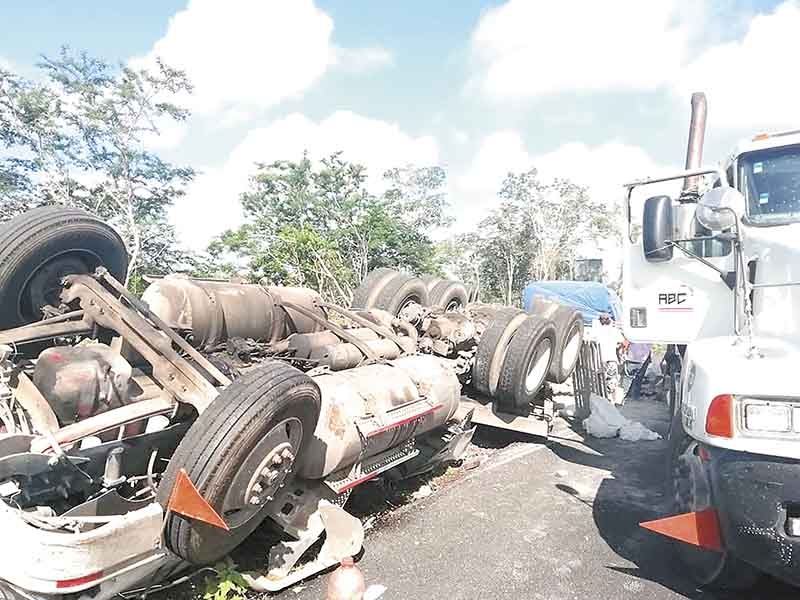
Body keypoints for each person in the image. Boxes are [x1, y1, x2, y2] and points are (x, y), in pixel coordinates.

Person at [593, 313, 625, 403]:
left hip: (599, 360)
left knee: (600, 380)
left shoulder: (596, 331)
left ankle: (601, 399)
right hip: (611, 359)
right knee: (612, 381)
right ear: (609, 321)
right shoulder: (614, 331)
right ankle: (613, 401)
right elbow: (621, 342)